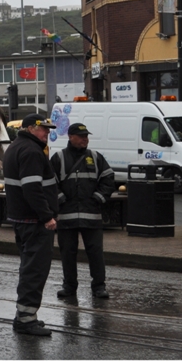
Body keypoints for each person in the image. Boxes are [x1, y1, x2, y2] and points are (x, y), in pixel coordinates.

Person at [3, 113, 59, 337]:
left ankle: (25, 315)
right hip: (35, 222)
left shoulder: (16, 148)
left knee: (29, 268)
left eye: (49, 129)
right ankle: (26, 320)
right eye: (43, 129)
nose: (47, 133)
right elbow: (32, 189)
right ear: (28, 128)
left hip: (22, 220)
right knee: (35, 271)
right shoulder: (32, 151)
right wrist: (47, 216)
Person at [51, 122, 115, 300]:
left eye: (86, 136)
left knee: (95, 253)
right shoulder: (59, 158)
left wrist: (98, 198)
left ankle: (99, 287)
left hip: (91, 215)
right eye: (81, 136)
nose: (85, 139)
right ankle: (69, 287)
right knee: (68, 254)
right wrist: (61, 199)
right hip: (67, 216)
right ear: (71, 137)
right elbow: (49, 183)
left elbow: (108, 179)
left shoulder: (95, 157)